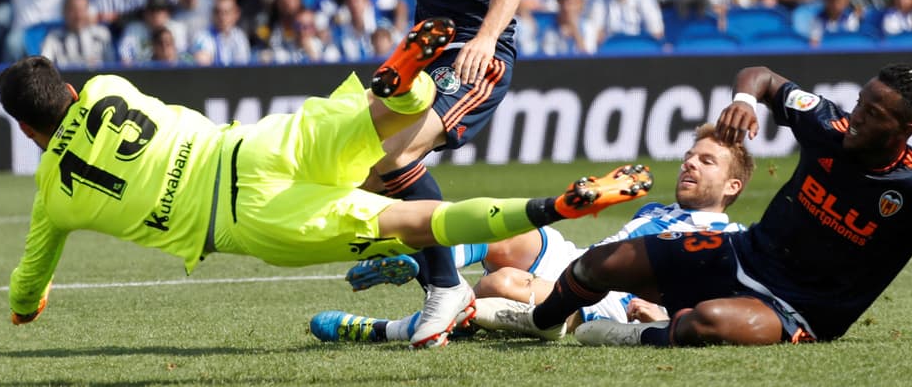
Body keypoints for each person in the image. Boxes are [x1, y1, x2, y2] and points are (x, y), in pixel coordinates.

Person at [2, 21, 653, 335]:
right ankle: (409, 79)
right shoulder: (111, 85)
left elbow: (27, 287)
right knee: (380, 123)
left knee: (416, 223)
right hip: (255, 147)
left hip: (246, 220)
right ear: (68, 86)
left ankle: (554, 205)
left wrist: (28, 303)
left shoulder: (52, 198)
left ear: (29, 131)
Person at [474, 64, 912, 346]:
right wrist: (748, 105)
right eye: (860, 103)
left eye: (875, 115)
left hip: (799, 307)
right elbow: (760, 76)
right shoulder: (827, 126)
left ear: (904, 132)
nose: (856, 119)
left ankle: (623, 337)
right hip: (740, 252)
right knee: (598, 265)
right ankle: (540, 324)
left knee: (707, 325)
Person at [355, 0, 530, 349]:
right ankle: (420, 261)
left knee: (395, 153)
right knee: (359, 165)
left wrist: (484, 39)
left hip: (474, 59)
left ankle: (446, 284)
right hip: (425, 54)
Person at [310, 123, 752, 343]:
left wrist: (665, 316)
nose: (690, 163)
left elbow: (732, 300)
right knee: (511, 235)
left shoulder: (731, 238)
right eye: (690, 156)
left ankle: (382, 329)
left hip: (603, 301)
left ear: (733, 187)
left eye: (706, 161)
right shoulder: (663, 210)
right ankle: (423, 261)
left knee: (500, 283)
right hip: (580, 260)